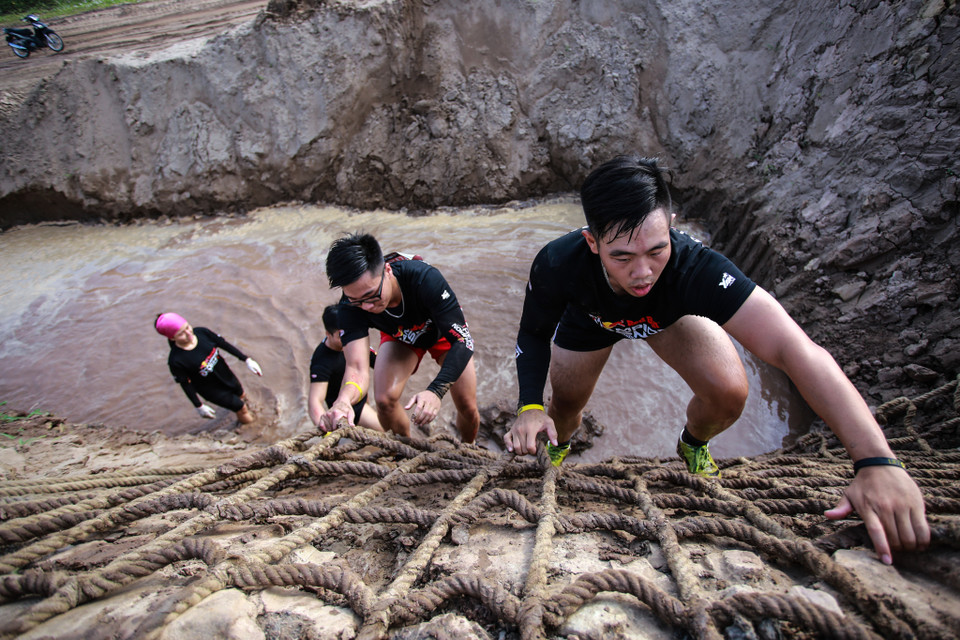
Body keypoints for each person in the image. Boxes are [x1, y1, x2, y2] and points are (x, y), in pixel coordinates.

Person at [503, 154, 928, 565]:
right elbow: (533, 333)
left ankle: (693, 444)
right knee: (565, 407)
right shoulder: (559, 262)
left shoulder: (697, 268)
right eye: (622, 257)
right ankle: (559, 449)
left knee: (728, 393)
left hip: (666, 319)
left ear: (671, 226)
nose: (643, 272)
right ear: (592, 242)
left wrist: (875, 461)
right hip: (591, 320)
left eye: (656, 250)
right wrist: (528, 407)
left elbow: (793, 348)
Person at [320, 233, 480, 443]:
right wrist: (343, 400)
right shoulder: (350, 306)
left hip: (443, 334)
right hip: (400, 336)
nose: (367, 306)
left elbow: (463, 341)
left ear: (387, 271)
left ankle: (468, 447)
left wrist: (435, 391)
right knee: (384, 401)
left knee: (467, 405)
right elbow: (357, 368)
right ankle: (406, 451)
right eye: (357, 300)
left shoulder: (424, 278)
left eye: (371, 296)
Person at [155, 312, 262, 424]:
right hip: (211, 390)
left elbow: (224, 344)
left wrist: (246, 360)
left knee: (241, 394)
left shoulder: (202, 333)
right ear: (172, 338)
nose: (188, 333)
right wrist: (198, 406)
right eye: (181, 333)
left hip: (226, 375)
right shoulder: (176, 360)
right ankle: (252, 427)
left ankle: (244, 409)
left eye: (187, 327)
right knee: (241, 408)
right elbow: (185, 384)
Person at [309, 304, 383, 431]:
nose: (346, 339)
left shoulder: (353, 342)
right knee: (385, 431)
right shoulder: (321, 361)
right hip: (347, 406)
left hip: (361, 397)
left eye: (347, 332)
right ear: (328, 334)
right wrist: (326, 434)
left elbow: (380, 364)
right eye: (340, 336)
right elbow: (314, 402)